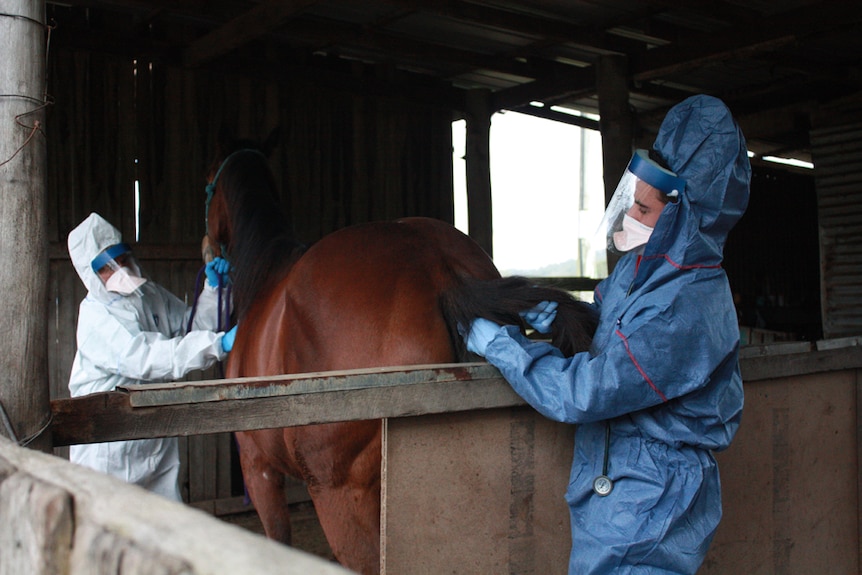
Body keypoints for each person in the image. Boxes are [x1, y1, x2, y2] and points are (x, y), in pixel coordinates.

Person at [463, 94, 750, 574]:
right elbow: (616, 328)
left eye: (643, 209)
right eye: (631, 204)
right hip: (628, 483)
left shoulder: (685, 303)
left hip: (649, 497)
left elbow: (589, 392)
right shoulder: (649, 273)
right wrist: (565, 317)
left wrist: (504, 348)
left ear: (680, 212)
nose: (631, 218)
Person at [67, 212, 238, 501]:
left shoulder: (148, 295)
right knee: (110, 531)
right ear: (91, 275)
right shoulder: (95, 317)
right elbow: (146, 358)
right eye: (107, 267)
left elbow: (190, 326)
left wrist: (215, 289)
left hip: (154, 438)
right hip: (109, 446)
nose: (119, 269)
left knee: (163, 527)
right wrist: (217, 344)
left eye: (121, 259)